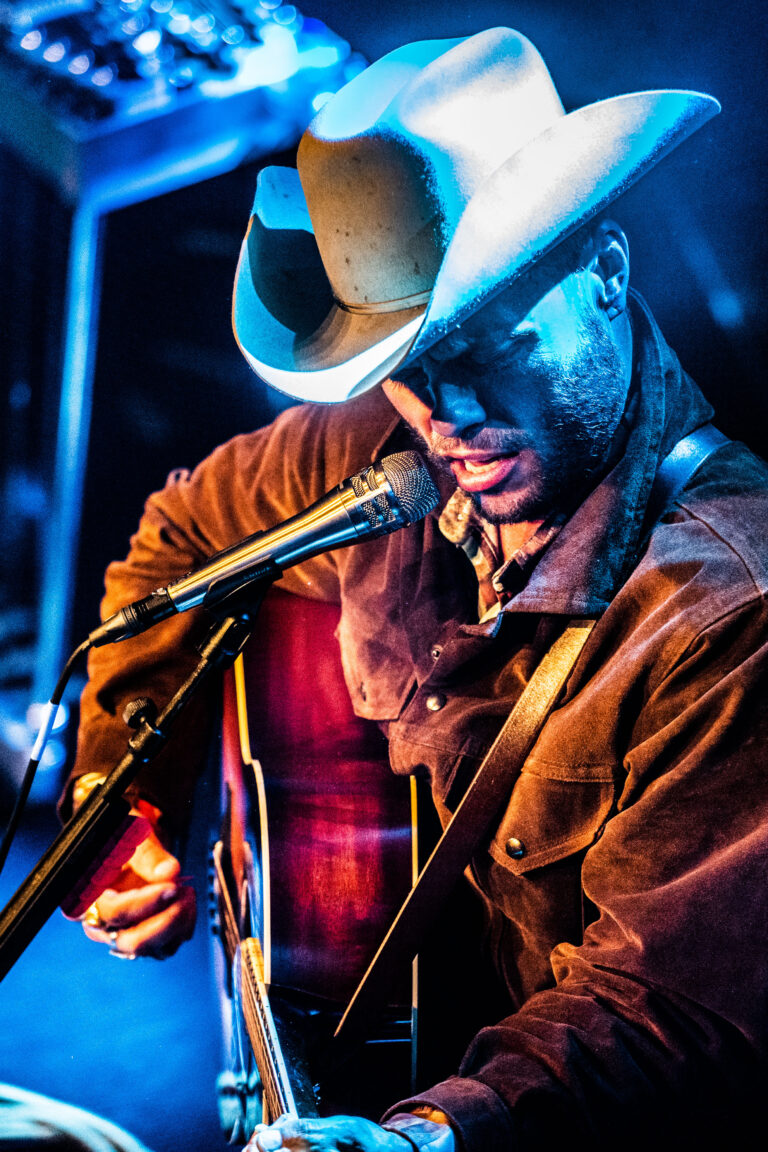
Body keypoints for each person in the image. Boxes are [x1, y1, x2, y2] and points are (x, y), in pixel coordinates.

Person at [61, 27, 768, 1151]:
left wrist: (433, 1134)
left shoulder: (729, 615)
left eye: (485, 341)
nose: (445, 414)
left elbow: (665, 1011)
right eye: (403, 369)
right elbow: (185, 536)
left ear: (606, 272)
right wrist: (126, 804)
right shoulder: (381, 452)